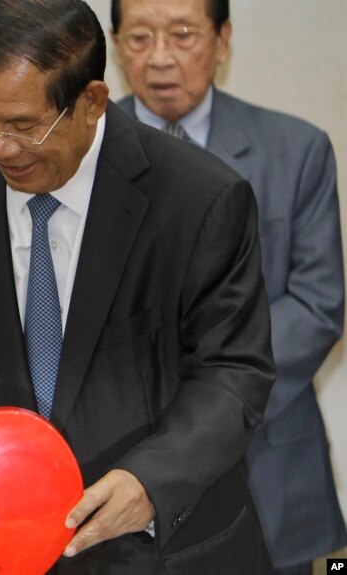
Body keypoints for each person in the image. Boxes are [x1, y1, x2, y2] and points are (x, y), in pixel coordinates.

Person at [0, 0, 277, 572]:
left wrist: (149, 480)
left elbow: (232, 373)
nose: (0, 147)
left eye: (25, 126)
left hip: (160, 549)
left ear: (91, 102)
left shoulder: (200, 199)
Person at [109, 1, 347, 572]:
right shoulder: (81, 154)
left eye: (183, 34)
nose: (160, 57)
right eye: (140, 37)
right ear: (116, 45)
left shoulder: (297, 149)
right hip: (123, 466)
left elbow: (318, 304)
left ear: (223, 40)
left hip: (268, 460)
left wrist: (212, 401)